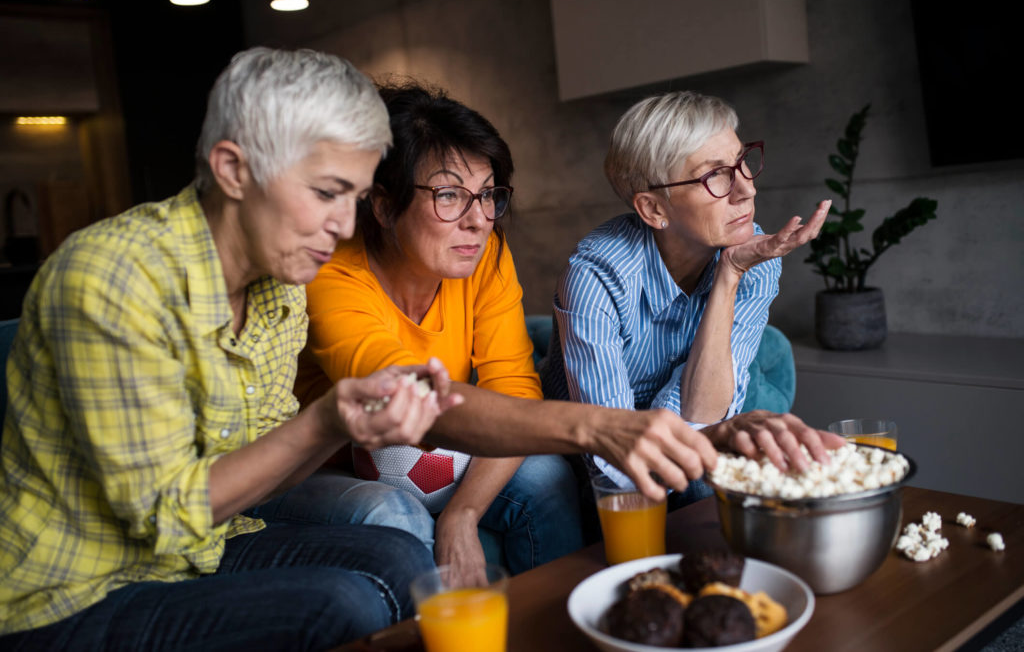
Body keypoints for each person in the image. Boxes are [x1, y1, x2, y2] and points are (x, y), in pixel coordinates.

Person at [0, 48, 458, 650]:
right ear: (233, 170)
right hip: (73, 591)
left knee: (402, 559)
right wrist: (325, 420)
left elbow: (262, 471)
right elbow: (164, 518)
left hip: (208, 545)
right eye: (326, 193)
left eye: (354, 197)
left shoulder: (281, 284)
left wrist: (355, 423)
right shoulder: (112, 278)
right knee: (341, 604)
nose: (344, 226)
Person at [284, 83, 584, 576]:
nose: (479, 220)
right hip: (330, 464)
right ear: (382, 206)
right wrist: (591, 427)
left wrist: (463, 515)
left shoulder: (485, 255)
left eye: (488, 195)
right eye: (449, 195)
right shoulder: (331, 267)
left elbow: (513, 387)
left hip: (448, 443)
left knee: (547, 477)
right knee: (392, 513)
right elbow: (396, 388)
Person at [541, 90, 839, 504]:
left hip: (681, 430)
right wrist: (704, 436)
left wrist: (730, 273)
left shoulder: (755, 253)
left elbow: (705, 412)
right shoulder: (596, 276)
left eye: (742, 162)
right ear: (653, 209)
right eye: (714, 175)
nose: (746, 190)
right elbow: (613, 454)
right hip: (592, 450)